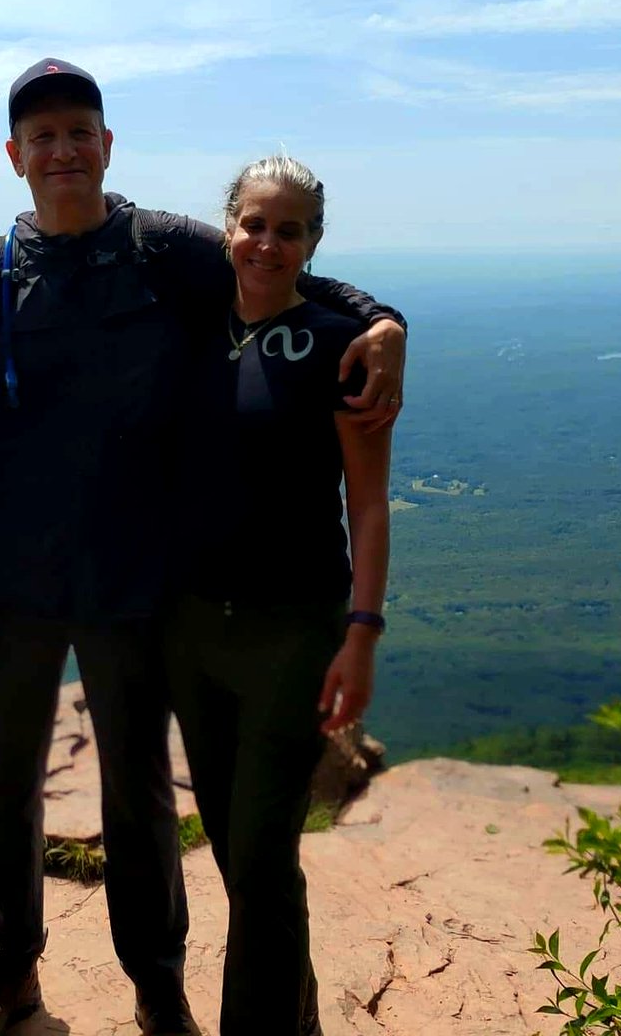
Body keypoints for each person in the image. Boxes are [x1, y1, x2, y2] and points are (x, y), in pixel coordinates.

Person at [0, 59, 407, 1036]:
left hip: (136, 580)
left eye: (79, 131)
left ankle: (157, 985)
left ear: (107, 144)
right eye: (42, 137)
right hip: (12, 584)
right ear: (14, 156)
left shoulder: (166, 248)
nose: (63, 151)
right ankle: (9, 969)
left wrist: (382, 321)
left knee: (136, 792)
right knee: (5, 782)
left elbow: (281, 275)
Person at [163, 155, 393, 1036]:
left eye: (288, 230)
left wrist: (362, 632)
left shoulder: (339, 346)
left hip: (293, 632)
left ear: (313, 243)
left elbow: (367, 505)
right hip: (190, 629)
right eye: (254, 224)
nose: (267, 242)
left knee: (259, 862)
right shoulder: (186, 323)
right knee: (241, 859)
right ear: (227, 226)